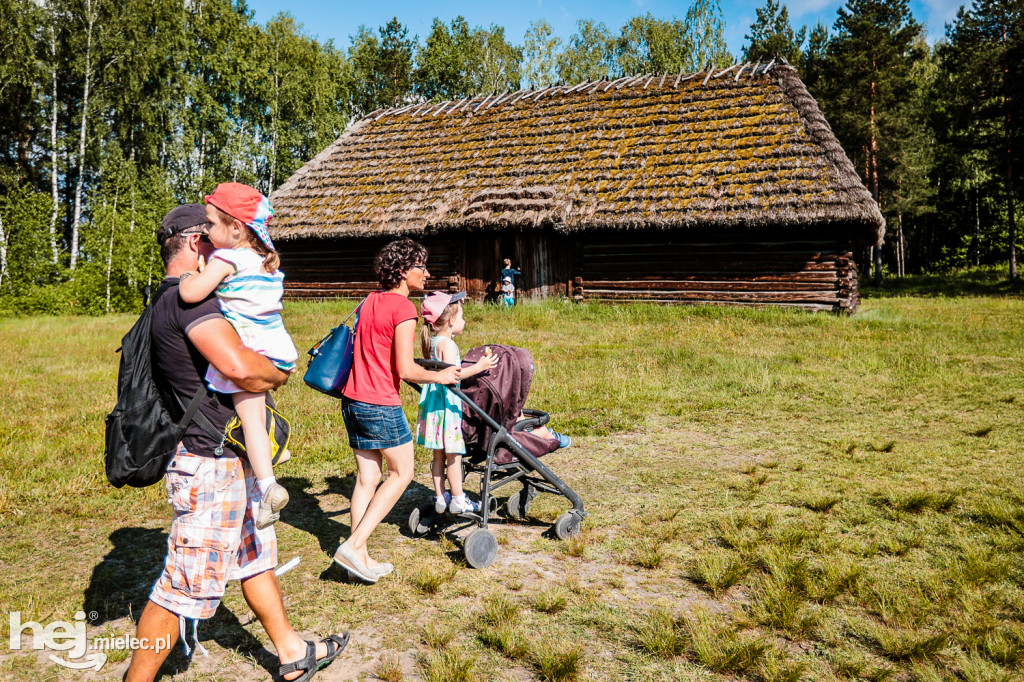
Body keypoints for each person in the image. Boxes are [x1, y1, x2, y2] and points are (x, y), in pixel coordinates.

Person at [125, 204, 347, 682]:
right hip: (209, 462)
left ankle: (291, 654)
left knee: (253, 554)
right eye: (211, 236)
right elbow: (242, 368)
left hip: (225, 456)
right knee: (180, 588)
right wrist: (281, 372)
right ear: (193, 243)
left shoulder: (168, 298)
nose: (221, 246)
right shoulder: (192, 302)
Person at [333, 238, 461, 583]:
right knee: (402, 472)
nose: (427, 274)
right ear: (404, 272)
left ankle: (357, 556)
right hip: (379, 402)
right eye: (422, 267)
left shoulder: (369, 300)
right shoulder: (403, 309)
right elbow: (405, 369)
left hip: (353, 399)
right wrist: (442, 374)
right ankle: (354, 544)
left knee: (367, 478)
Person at [178, 182, 297, 530]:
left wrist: (192, 274)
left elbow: (190, 294)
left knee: (251, 421)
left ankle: (268, 485)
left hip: (248, 350)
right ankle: (276, 448)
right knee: (261, 408)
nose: (206, 231)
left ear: (235, 227)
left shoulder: (226, 258)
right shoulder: (263, 260)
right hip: (275, 347)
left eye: (211, 224)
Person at [416, 291, 499, 514]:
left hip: (433, 406)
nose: (464, 321)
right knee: (454, 455)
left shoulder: (433, 341)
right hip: (448, 408)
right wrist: (480, 367)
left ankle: (440, 497)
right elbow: (455, 374)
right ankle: (458, 499)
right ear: (451, 320)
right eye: (461, 317)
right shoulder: (449, 345)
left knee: (438, 455)